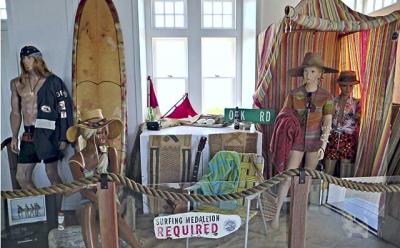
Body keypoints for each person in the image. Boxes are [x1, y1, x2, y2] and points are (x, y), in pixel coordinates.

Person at [270, 52, 338, 228]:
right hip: (296, 141)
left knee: (306, 179)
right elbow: (283, 116)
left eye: (313, 71)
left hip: (315, 143)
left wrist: (323, 144)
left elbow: (327, 122)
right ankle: (276, 215)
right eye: (306, 71)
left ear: (320, 73)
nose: (308, 75)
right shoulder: (294, 94)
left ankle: (299, 216)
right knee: (287, 176)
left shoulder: (326, 97)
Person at [67, 109, 140, 248]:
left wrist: (105, 199)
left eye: (105, 132)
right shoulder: (75, 160)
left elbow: (115, 181)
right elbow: (83, 190)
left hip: (109, 194)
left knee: (112, 211)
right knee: (88, 208)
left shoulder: (110, 152)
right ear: (89, 135)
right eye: (100, 132)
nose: (104, 136)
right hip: (89, 199)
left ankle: (137, 246)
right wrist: (98, 201)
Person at [10, 45, 73, 189]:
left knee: (52, 174)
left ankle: (57, 210)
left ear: (37, 59)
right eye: (23, 58)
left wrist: (63, 137)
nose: (26, 61)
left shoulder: (53, 81)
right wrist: (14, 136)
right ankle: (42, 207)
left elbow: (64, 110)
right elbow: (15, 112)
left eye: (29, 57)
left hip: (47, 133)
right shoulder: (16, 83)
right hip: (28, 134)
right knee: (21, 176)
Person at [324, 71, 361, 178]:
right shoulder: (331, 101)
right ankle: (327, 193)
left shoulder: (357, 103)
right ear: (340, 85)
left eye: (351, 86)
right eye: (345, 86)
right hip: (333, 137)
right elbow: (325, 119)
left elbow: (359, 120)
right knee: (328, 172)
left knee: (345, 174)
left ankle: (343, 194)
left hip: (348, 139)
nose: (348, 89)